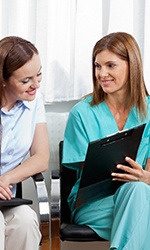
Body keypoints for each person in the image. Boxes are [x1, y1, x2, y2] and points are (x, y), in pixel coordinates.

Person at [62, 32, 150, 250]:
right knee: (140, 200)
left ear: (133, 66)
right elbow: (92, 181)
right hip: (96, 204)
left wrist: (144, 177)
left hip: (141, 194)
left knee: (138, 192)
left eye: (110, 65)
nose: (102, 74)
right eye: (98, 66)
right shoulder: (81, 113)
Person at [0, 36, 50, 250]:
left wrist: (7, 178)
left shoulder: (35, 101)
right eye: (26, 80)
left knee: (26, 221)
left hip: (5, 197)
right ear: (3, 79)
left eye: (38, 74)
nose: (36, 84)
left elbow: (41, 157)